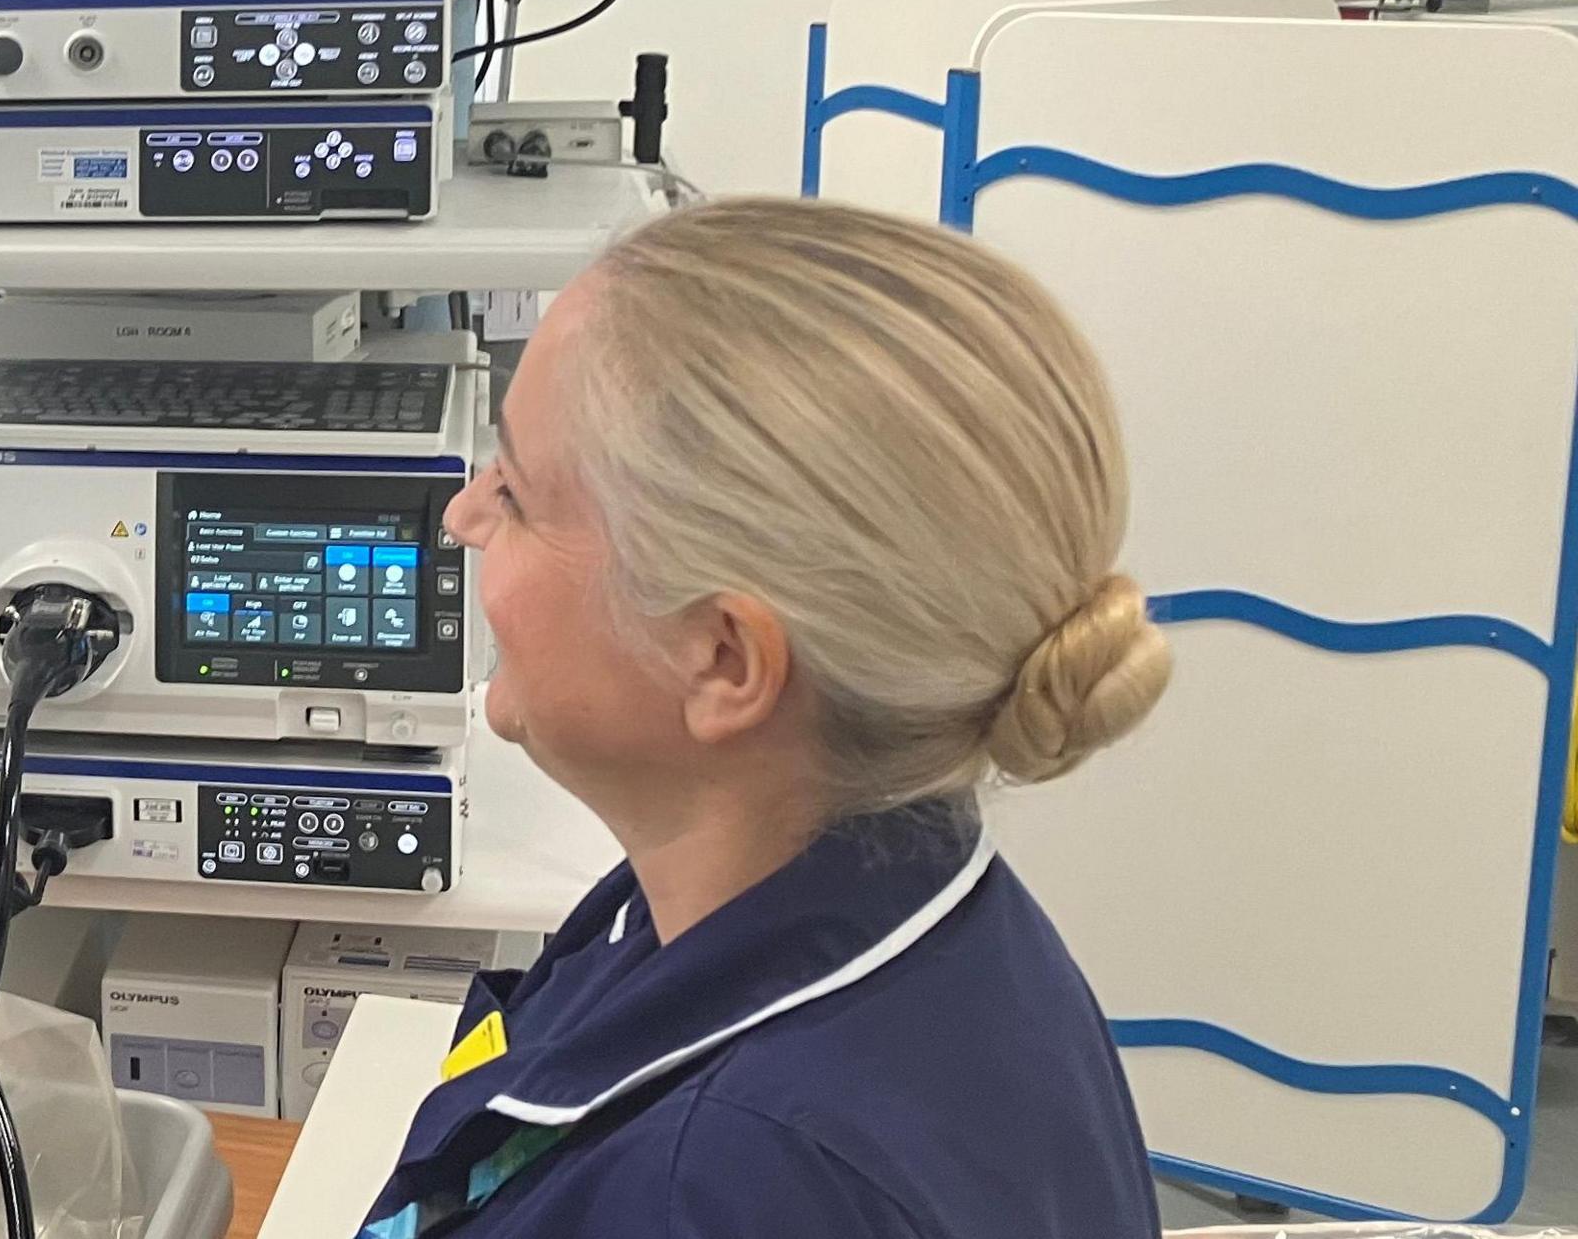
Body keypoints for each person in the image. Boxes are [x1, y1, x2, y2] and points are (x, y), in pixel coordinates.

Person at [364, 199, 1171, 1236]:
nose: (463, 514)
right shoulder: (881, 895)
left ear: (723, 658)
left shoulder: (724, 1188)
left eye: (517, 491)